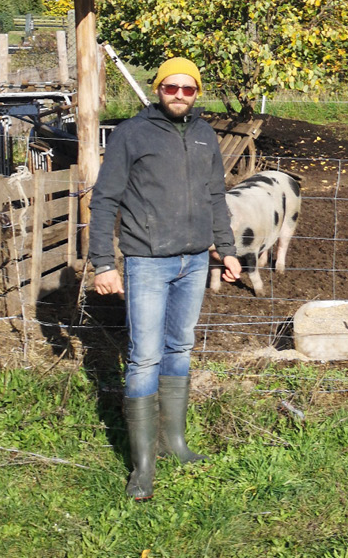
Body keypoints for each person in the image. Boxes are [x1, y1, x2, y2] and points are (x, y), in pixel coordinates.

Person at [89, 57, 243, 500]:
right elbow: (104, 201)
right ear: (158, 89)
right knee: (143, 357)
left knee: (180, 346)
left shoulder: (204, 134)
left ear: (197, 92)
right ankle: (141, 467)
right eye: (171, 87)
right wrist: (104, 263)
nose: (179, 95)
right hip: (147, 263)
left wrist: (225, 250)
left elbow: (217, 196)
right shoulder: (131, 134)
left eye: (188, 89)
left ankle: (174, 442)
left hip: (195, 261)